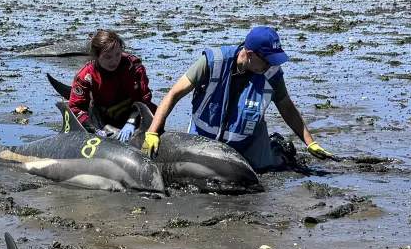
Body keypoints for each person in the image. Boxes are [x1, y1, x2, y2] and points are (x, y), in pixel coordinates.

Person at [142, 26, 333, 170]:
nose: (270, 66)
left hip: (248, 142)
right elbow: (173, 95)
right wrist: (153, 131)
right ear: (249, 54)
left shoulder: (272, 74)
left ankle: (276, 148)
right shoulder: (212, 62)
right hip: (204, 139)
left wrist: (310, 142)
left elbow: (287, 108)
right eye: (267, 61)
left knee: (267, 171)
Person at [67, 29, 154, 141]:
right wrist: (94, 130)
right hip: (104, 118)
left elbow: (144, 99)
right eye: (108, 57)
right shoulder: (85, 76)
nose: (114, 61)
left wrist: (132, 121)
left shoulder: (134, 68)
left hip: (133, 113)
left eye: (118, 54)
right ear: (96, 56)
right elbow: (76, 107)